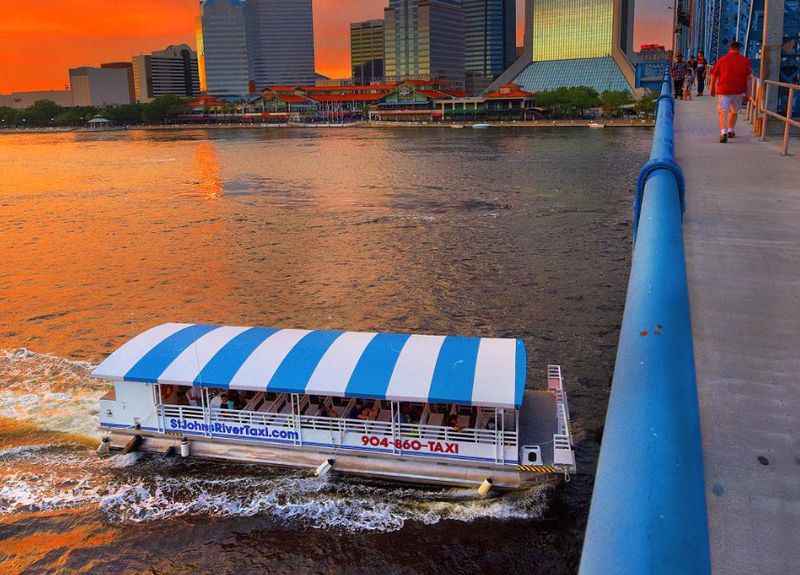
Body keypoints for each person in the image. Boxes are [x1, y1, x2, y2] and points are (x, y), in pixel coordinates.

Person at [710, 41, 752, 143]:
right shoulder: (745, 60)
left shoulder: (722, 60)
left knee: (722, 112)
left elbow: (714, 75)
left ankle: (723, 133)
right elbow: (749, 78)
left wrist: (712, 89)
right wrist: (748, 93)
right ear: (739, 49)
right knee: (734, 111)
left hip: (724, 90)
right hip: (738, 91)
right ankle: (731, 130)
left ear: (730, 48)